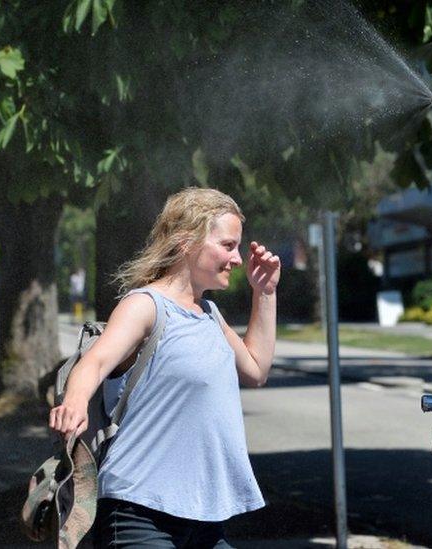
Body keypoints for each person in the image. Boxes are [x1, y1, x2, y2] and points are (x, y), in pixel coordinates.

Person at [49, 187, 281, 548]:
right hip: (140, 512)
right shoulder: (145, 305)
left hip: (204, 517)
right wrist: (75, 403)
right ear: (187, 242)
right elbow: (95, 362)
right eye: (228, 245)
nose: (237, 259)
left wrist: (264, 293)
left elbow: (255, 370)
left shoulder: (209, 314)